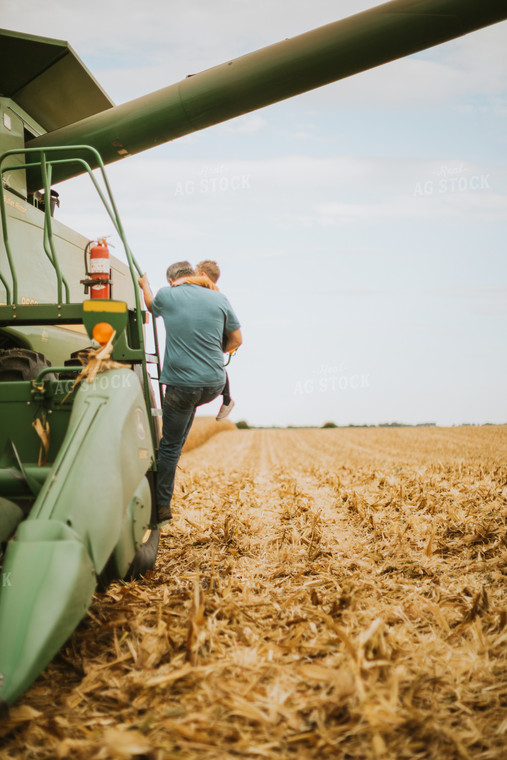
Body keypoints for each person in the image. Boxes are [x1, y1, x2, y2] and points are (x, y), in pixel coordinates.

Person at [137, 261, 242, 525]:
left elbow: (150, 305)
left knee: (169, 446)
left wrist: (144, 285)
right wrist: (213, 353)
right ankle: (226, 399)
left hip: (183, 386)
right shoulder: (219, 297)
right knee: (181, 431)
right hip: (213, 385)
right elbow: (237, 340)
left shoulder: (167, 295)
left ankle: (160, 508)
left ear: (172, 280)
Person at [194, 260, 235, 421]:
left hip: (213, 338)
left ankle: (226, 399)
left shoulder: (210, 295)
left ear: (203, 276)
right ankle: (226, 399)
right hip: (215, 338)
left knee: (213, 360)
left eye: (195, 275)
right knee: (214, 361)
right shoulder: (217, 297)